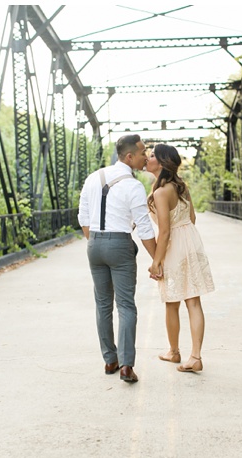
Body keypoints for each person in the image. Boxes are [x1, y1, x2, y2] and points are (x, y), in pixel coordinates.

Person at [77, 134, 157, 383]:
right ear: (130, 156)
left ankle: (109, 359)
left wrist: (96, 241)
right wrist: (157, 260)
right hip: (120, 244)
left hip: (95, 244)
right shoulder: (133, 186)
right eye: (143, 152)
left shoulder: (93, 177)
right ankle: (126, 366)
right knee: (125, 305)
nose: (146, 156)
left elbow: (83, 218)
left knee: (102, 304)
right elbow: (144, 228)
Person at [146, 143, 214, 373]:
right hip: (191, 242)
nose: (148, 157)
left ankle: (174, 351)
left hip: (174, 245)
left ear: (162, 162)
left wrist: (156, 261)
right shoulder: (181, 187)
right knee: (193, 301)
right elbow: (192, 217)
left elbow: (164, 231)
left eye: (153, 155)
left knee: (172, 302)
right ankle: (194, 356)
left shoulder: (160, 192)